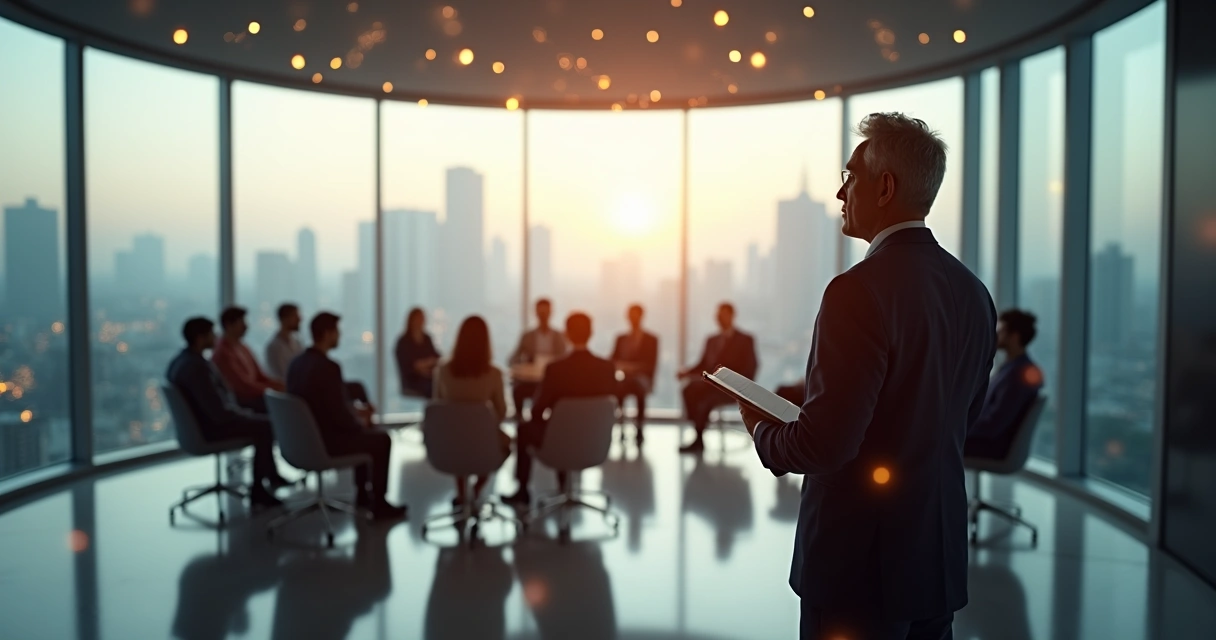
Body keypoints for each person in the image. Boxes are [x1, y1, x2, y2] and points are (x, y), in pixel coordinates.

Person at [743, 113, 996, 639]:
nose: (840, 192)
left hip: (859, 566)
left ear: (884, 187)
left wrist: (763, 430)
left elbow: (825, 446)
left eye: (851, 175)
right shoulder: (973, 292)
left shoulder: (856, 291)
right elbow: (961, 416)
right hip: (936, 556)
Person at [286, 312, 407, 521]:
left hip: (302, 440)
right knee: (381, 439)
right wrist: (362, 421)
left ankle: (363, 494)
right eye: (337, 332)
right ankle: (378, 504)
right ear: (327, 334)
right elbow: (341, 418)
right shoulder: (328, 368)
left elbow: (326, 404)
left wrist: (356, 417)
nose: (339, 336)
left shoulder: (296, 364)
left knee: (363, 431)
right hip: (325, 443)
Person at [166, 317, 286, 508]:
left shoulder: (180, 362)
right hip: (211, 428)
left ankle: (269, 478)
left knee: (261, 420)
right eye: (211, 334)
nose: (216, 337)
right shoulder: (198, 367)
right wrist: (244, 414)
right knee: (266, 426)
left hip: (197, 427)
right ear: (200, 338)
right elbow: (219, 413)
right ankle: (259, 491)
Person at [503, 312, 616, 506]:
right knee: (564, 428)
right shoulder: (606, 367)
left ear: (567, 334)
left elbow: (537, 411)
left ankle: (522, 491)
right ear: (591, 333)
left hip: (560, 440)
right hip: (595, 442)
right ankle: (563, 486)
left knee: (526, 429)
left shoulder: (556, 369)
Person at [433, 315, 510, 506]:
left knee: (458, 438)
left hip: (450, 443)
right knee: (505, 444)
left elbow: (438, 407)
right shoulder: (494, 374)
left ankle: (461, 494)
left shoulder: (443, 371)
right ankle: (476, 489)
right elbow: (501, 413)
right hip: (483, 442)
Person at [677, 303, 758, 453]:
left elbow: (751, 367)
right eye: (718, 315)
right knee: (688, 389)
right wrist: (686, 372)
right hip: (711, 385)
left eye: (723, 315)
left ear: (732, 316)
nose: (720, 319)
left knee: (706, 399)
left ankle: (698, 437)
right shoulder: (711, 340)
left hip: (732, 389)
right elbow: (702, 364)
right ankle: (697, 429)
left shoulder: (745, 340)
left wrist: (742, 387)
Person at [964, 309, 1044, 459]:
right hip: (985, 441)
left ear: (1014, 336)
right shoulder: (1012, 368)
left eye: (1000, 331)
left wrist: (957, 428)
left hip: (990, 446)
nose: (996, 335)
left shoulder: (1017, 375)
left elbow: (993, 424)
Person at [211, 306, 284, 413]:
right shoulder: (222, 353)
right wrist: (273, 390)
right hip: (244, 402)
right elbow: (242, 387)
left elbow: (260, 376)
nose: (246, 326)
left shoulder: (243, 347)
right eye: (241, 323)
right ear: (229, 325)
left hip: (255, 396)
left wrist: (280, 385)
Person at [508, 298, 568, 422]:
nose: (543, 316)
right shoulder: (527, 336)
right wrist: (524, 361)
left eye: (546, 313)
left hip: (552, 383)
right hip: (530, 382)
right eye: (541, 313)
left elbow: (565, 360)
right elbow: (512, 360)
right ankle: (521, 422)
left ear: (551, 313)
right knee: (517, 390)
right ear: (535, 313)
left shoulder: (559, 336)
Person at [610, 304, 659, 443]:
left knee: (638, 387)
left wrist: (632, 368)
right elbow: (613, 359)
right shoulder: (621, 338)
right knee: (618, 387)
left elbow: (651, 364)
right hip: (624, 378)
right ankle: (620, 427)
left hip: (641, 379)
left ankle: (639, 429)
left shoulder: (651, 339)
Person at [395, 307, 441, 398]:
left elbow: (436, 356)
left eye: (422, 318)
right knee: (433, 388)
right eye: (418, 318)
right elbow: (408, 366)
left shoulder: (427, 338)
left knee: (441, 385)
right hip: (413, 381)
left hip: (429, 377)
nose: (421, 321)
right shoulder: (404, 341)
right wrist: (422, 366)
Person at [265, 303, 304, 381]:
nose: (299, 319)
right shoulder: (274, 347)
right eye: (295, 316)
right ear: (284, 319)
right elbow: (281, 376)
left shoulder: (298, 343)